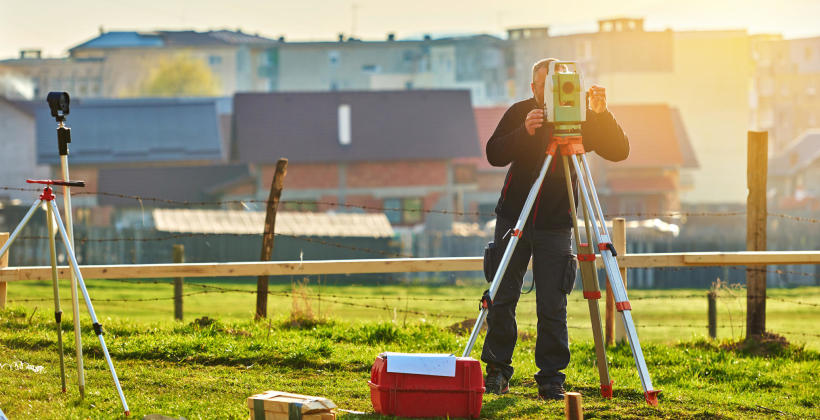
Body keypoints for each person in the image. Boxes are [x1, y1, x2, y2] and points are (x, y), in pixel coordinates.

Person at [482, 58, 629, 400]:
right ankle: (497, 371)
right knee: (502, 297)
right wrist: (525, 132)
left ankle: (551, 378)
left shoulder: (579, 116)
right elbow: (493, 154)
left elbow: (619, 151)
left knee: (553, 303)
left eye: (557, 84)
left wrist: (602, 114)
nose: (549, 92)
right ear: (534, 88)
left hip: (556, 222)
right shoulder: (521, 111)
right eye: (543, 85)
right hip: (513, 218)